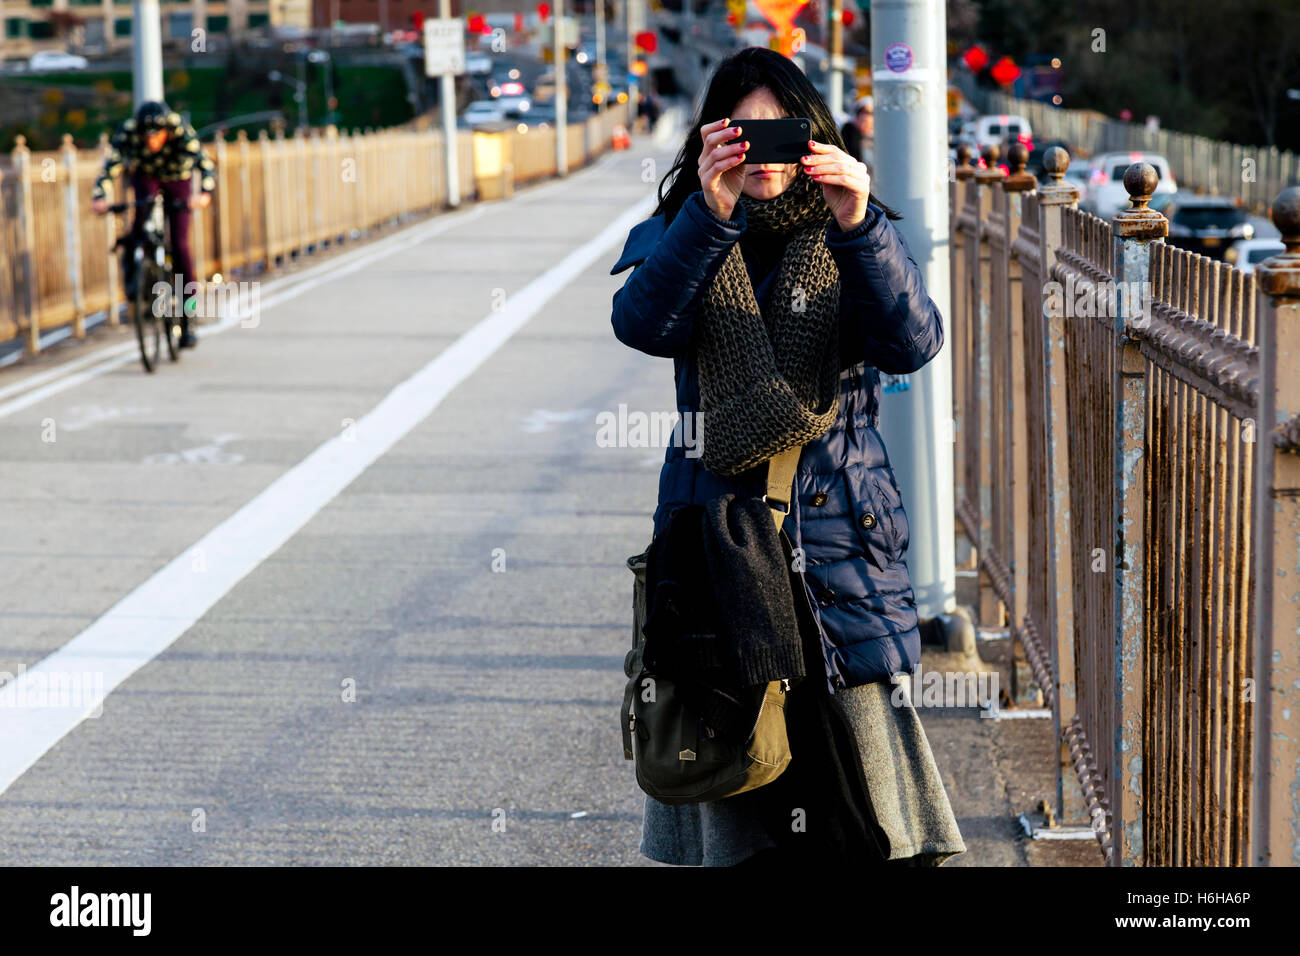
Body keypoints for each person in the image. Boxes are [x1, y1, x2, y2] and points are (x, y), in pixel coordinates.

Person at [610, 47, 964, 866]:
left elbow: (912, 343)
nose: (763, 153)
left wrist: (858, 221)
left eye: (781, 131)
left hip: (836, 544)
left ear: (814, 136)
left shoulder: (848, 233)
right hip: (722, 547)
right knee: (736, 790)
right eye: (742, 132)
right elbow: (643, 324)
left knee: (858, 814)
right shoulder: (685, 229)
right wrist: (709, 211)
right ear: (710, 138)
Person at [91, 100, 216, 349]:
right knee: (140, 224)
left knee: (180, 245)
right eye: (147, 135)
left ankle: (188, 314)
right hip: (147, 176)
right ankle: (137, 273)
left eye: (156, 135)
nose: (151, 141)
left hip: (178, 178)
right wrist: (99, 196)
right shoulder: (129, 129)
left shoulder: (179, 129)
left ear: (165, 131)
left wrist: (204, 194)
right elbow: (112, 164)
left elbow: (205, 164)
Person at [840, 95, 874, 171]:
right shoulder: (846, 133)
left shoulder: (879, 140)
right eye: (865, 112)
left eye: (871, 114)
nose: (867, 118)